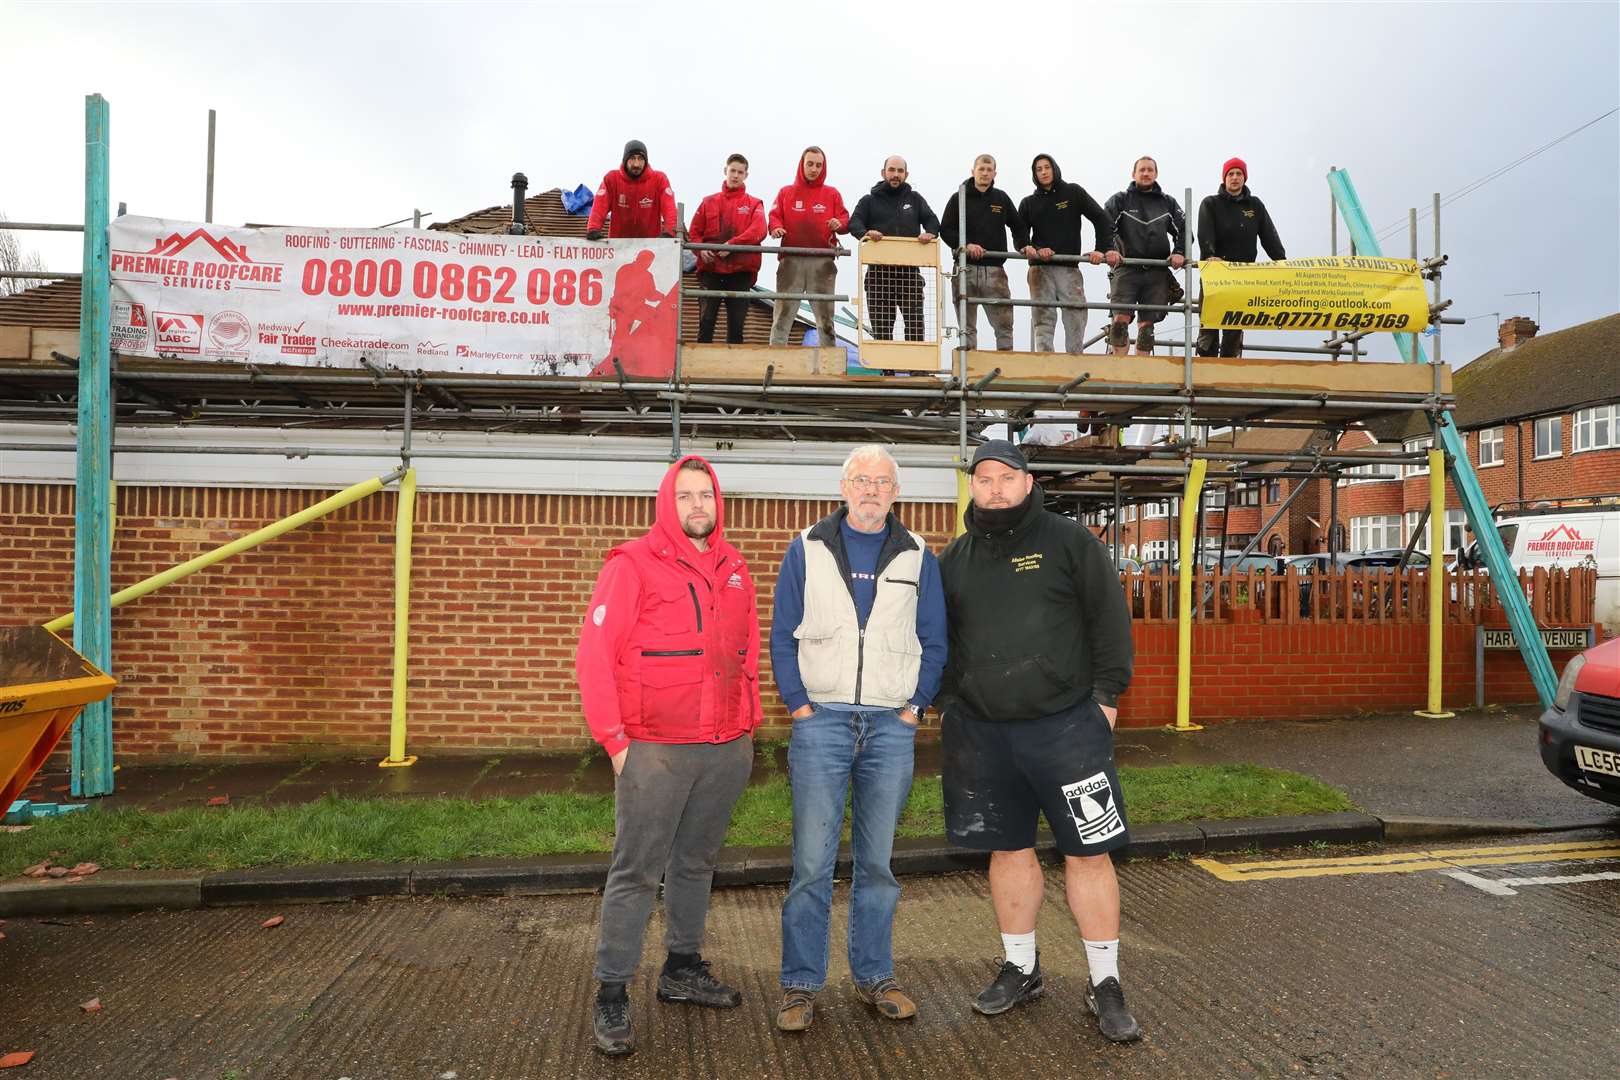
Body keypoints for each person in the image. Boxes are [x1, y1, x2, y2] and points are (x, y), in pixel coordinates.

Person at [937, 439, 1141, 1044]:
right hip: (982, 732)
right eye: (984, 478)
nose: (995, 487)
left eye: (1006, 477)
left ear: (1029, 483)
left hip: (1067, 729)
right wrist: (951, 702)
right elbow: (941, 638)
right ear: (972, 487)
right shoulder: (956, 558)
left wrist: (1105, 699)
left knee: (1089, 854)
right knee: (1007, 851)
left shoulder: (1071, 543)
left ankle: (1105, 982)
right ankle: (1021, 968)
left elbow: (1110, 622)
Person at [574, 455, 762, 1057]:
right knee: (636, 872)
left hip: (724, 748)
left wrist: (749, 726)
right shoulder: (632, 565)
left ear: (718, 502)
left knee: (695, 865)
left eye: (705, 494)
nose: (696, 506)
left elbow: (746, 650)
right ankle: (611, 993)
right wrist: (615, 740)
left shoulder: (735, 568)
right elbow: (594, 655)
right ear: (665, 502)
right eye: (684, 496)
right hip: (653, 750)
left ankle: (681, 968)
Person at [769, 445, 948, 1033]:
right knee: (812, 865)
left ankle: (875, 976)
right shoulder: (808, 547)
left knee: (878, 865)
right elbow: (781, 633)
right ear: (843, 487)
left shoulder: (919, 555)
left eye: (882, 482)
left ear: (896, 493)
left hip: (889, 728)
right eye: (861, 480)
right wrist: (797, 705)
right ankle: (799, 986)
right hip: (820, 722)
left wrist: (915, 708)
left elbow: (935, 638)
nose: (871, 490)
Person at [1018, 154, 1118, 353]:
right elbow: (1020, 235)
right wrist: (1034, 250)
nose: (1044, 172)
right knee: (1043, 318)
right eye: (1039, 169)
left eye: (1047, 167)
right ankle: (1046, 362)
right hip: (1040, 270)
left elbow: (1101, 218)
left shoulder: (1073, 192)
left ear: (1054, 168)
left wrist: (1102, 249)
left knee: (1075, 315)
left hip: (1069, 267)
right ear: (1034, 174)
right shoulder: (1028, 203)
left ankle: (1075, 359)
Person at [1195, 157, 1286, 357]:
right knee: (1210, 323)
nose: (1234, 178)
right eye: (1230, 174)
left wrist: (1281, 260)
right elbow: (1205, 233)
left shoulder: (1255, 205)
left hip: (1243, 275)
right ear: (1224, 178)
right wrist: (1210, 254)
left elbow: (1269, 236)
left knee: (1234, 325)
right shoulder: (1211, 203)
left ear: (1244, 178)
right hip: (1215, 273)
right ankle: (1206, 368)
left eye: (1239, 174)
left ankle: (1229, 366)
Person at [940, 155, 1028, 352]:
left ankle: (1005, 368)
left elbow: (1018, 226)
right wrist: (966, 245)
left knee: (1004, 325)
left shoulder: (1001, 198)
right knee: (967, 327)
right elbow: (945, 229)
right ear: (973, 171)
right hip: (965, 269)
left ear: (995, 173)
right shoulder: (958, 198)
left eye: (989, 170)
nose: (985, 173)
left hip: (995, 271)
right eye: (981, 169)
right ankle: (969, 368)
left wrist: (1024, 245)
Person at [848, 156, 940, 342]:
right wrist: (866, 232)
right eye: (892, 170)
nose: (895, 175)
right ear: (883, 173)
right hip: (878, 275)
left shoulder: (915, 199)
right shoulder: (869, 200)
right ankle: (886, 371)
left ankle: (916, 370)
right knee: (882, 326)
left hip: (909, 275)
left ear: (906, 174)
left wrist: (929, 233)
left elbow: (933, 221)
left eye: (900, 171)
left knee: (915, 324)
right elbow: (854, 223)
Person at [1103, 157, 1186, 356]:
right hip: (1126, 268)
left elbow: (1184, 231)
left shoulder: (1168, 203)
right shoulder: (1120, 200)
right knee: (1120, 322)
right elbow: (1104, 225)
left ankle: (1141, 371)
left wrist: (1179, 252)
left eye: (1150, 170)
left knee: (1147, 327)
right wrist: (1109, 249)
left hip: (1156, 271)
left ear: (1156, 174)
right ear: (1134, 174)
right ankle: (1119, 369)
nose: (1146, 173)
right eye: (1142, 170)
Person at [768, 146, 849, 345]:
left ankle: (829, 363)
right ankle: (777, 361)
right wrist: (776, 228)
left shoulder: (832, 194)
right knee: (783, 314)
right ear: (801, 165)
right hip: (791, 259)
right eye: (810, 164)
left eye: (819, 165)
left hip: (822, 261)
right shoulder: (786, 192)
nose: (814, 169)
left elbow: (845, 219)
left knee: (825, 318)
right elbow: (774, 216)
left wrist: (839, 224)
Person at [688, 154, 767, 344]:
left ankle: (735, 369)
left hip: (740, 272)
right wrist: (700, 250)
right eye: (733, 171)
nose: (736, 175)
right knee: (706, 321)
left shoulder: (754, 204)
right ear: (725, 171)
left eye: (740, 172)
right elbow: (694, 232)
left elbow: (760, 230)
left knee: (736, 324)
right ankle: (700, 366)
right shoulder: (708, 202)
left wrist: (733, 245)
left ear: (746, 175)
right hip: (711, 270)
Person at [586, 139, 677, 240]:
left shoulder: (659, 179)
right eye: (632, 158)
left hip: (651, 246)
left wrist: (670, 231)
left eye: (641, 159)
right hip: (619, 246)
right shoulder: (612, 179)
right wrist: (593, 228)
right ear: (625, 160)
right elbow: (600, 205)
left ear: (646, 161)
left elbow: (669, 207)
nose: (636, 164)